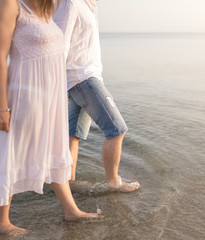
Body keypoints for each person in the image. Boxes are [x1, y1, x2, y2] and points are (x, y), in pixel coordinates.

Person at [0, 0, 101, 237]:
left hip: (51, 98)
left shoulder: (48, 9)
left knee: (54, 149)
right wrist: (1, 107)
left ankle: (71, 210)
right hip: (23, 94)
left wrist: (59, 93)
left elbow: (54, 56)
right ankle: (0, 222)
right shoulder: (9, 4)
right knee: (10, 149)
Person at [53, 0, 140, 192]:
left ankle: (69, 184)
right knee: (117, 129)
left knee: (73, 135)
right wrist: (57, 85)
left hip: (82, 77)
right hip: (82, 78)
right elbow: (61, 44)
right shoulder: (71, 3)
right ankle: (113, 182)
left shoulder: (89, 5)